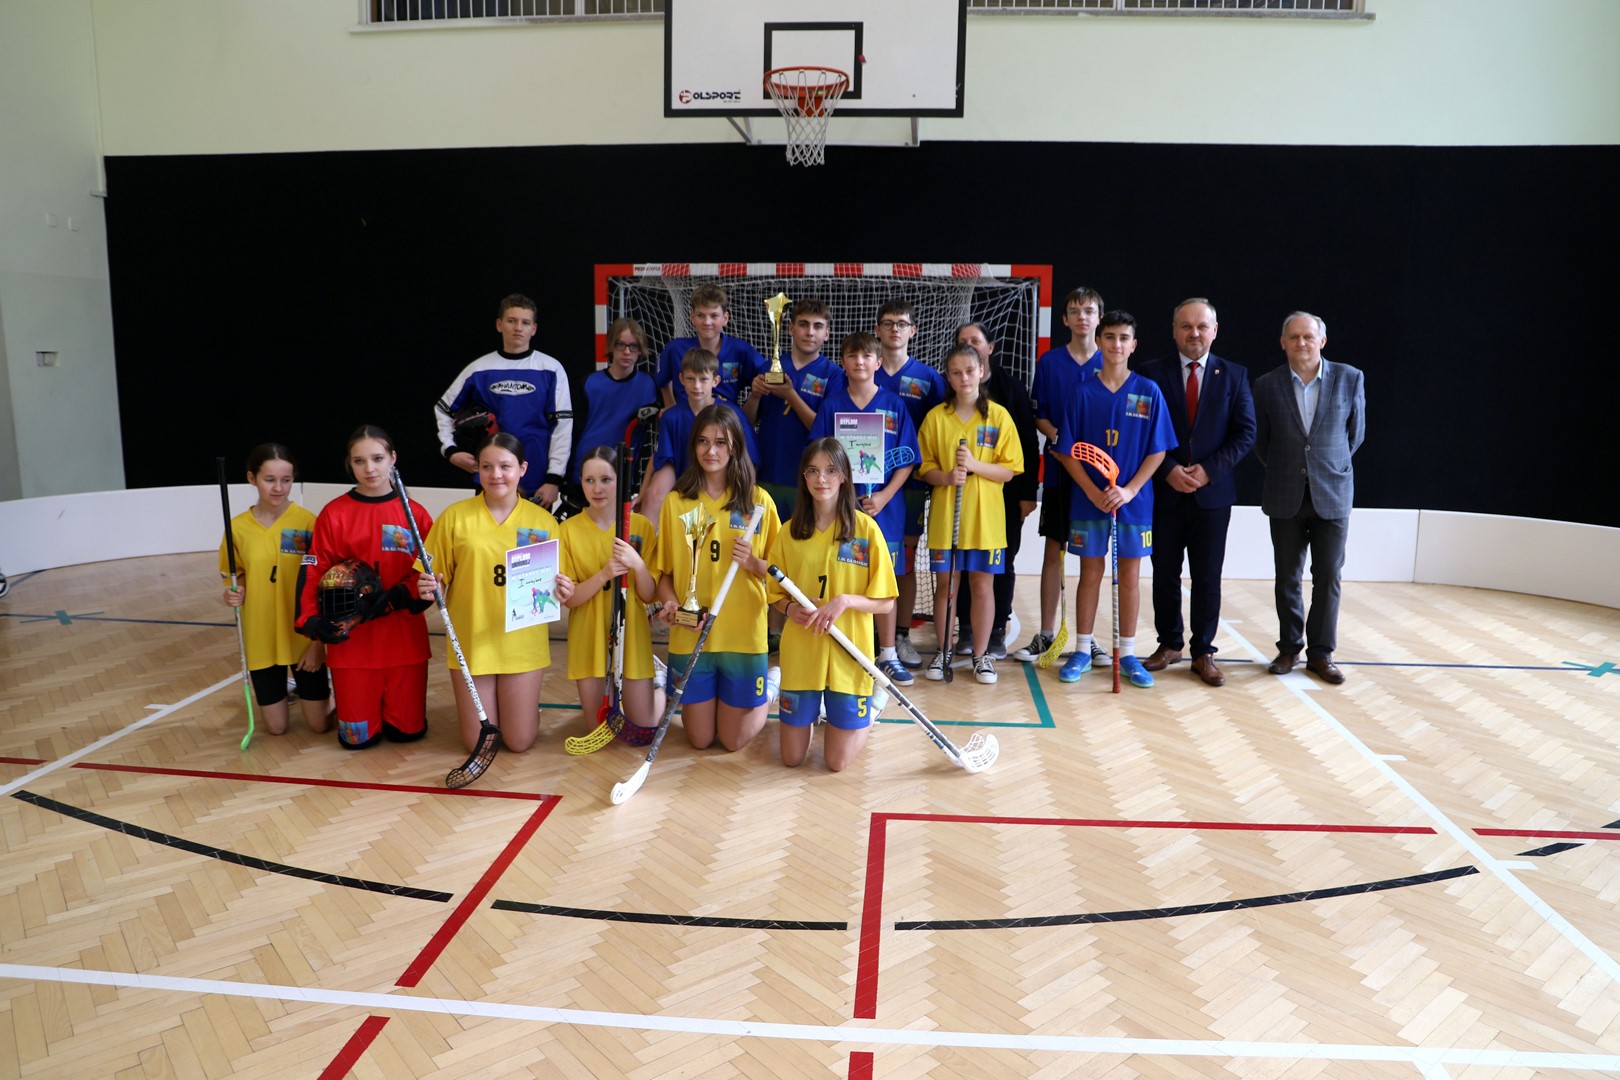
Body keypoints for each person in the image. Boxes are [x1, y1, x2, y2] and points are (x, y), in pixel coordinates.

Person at [417, 432, 566, 754]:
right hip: (473, 639)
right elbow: (436, 578)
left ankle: (526, 712)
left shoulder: (543, 522)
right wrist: (430, 587)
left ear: (522, 469)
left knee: (518, 742)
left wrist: (563, 588)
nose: (496, 474)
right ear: (478, 470)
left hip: (522, 642)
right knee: (479, 744)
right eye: (487, 466)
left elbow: (555, 584)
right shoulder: (454, 517)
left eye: (505, 466)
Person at [1136, 298, 1256, 687]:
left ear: (1214, 331)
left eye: (1202, 326)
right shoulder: (1149, 374)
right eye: (1186, 326)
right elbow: (1141, 431)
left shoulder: (1234, 375)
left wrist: (1208, 471)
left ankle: (1203, 651)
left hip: (1212, 496)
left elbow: (1245, 434)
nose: (1194, 333)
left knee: (1207, 577)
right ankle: (1169, 643)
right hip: (1164, 492)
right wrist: (1168, 470)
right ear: (1174, 331)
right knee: (1164, 574)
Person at [648, 405, 781, 752]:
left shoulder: (759, 503)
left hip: (742, 635)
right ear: (693, 446)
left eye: (721, 442)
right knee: (700, 738)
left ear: (735, 447)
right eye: (703, 441)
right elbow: (665, 575)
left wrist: (753, 562)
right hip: (691, 635)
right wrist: (671, 605)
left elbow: (780, 574)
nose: (711, 451)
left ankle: (770, 687)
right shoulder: (676, 502)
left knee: (733, 741)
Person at [1054, 311, 1176, 688]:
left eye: (1124, 338)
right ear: (1099, 342)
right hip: (1089, 501)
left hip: (1133, 503)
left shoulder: (1148, 391)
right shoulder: (1082, 392)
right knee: (1090, 573)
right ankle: (1082, 649)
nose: (1116, 344)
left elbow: (1158, 450)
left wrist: (1130, 490)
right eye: (1109, 337)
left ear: (1133, 345)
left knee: (1130, 575)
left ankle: (1128, 653)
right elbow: (1067, 451)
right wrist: (1092, 491)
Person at [296, 425, 433, 750]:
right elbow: (313, 569)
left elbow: (429, 572)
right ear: (350, 464)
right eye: (359, 461)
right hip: (352, 644)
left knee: (406, 733)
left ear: (393, 458)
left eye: (377, 458)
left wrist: (399, 595)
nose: (369, 468)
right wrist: (311, 621)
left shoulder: (415, 514)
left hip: (404, 640)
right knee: (358, 740)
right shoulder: (334, 514)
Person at [767, 439, 897, 771]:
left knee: (836, 762)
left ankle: (872, 708)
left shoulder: (865, 530)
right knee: (792, 759)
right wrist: (790, 610)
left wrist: (845, 601)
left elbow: (885, 602)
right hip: (802, 656)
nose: (821, 479)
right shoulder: (788, 532)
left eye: (830, 471)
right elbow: (774, 595)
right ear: (804, 477)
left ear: (843, 477)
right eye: (812, 471)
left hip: (849, 656)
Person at [1253, 311, 1366, 685]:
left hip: (1332, 493)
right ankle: (1289, 648)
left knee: (1328, 576)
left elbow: (1355, 435)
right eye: (1294, 337)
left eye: (1308, 336)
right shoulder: (1266, 385)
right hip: (1284, 493)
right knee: (1287, 576)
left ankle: (1321, 653)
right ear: (1283, 343)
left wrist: (1324, 467)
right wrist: (1291, 468)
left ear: (1322, 341)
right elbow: (1262, 442)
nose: (1301, 343)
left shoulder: (1350, 378)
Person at [808, 331, 919, 688]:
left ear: (878, 362)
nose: (859, 362)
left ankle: (888, 654)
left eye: (866, 356)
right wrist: (841, 495)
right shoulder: (832, 405)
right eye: (852, 356)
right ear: (843, 362)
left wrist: (884, 495)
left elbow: (908, 459)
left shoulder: (894, 405)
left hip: (885, 508)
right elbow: (818, 458)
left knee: (884, 580)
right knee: (844, 573)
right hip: (840, 507)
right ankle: (845, 646)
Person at [917, 343, 1024, 685]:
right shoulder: (936, 418)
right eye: (956, 372)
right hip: (946, 517)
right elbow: (924, 468)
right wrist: (947, 477)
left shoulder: (998, 416)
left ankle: (981, 655)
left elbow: (1009, 470)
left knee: (982, 585)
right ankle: (943, 651)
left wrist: (976, 465)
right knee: (947, 585)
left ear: (981, 371)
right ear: (948, 377)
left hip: (986, 521)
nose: (963, 378)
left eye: (969, 371)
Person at [1015, 287, 1107, 666]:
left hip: (1096, 479)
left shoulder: (1110, 359)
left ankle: (1087, 638)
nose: (1082, 317)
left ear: (1099, 317)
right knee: (1053, 551)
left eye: (1089, 310)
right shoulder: (1050, 362)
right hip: (1058, 472)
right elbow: (1039, 415)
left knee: (1092, 557)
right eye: (1075, 311)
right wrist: (1060, 439)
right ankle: (1047, 632)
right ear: (1065, 319)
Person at [219, 443, 332, 736]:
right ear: (252, 478)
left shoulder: (308, 522)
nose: (279, 488)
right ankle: (289, 688)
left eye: (286, 479)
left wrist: (317, 644)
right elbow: (235, 574)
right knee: (277, 727)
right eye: (269, 479)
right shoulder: (237, 528)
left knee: (320, 725)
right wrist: (234, 591)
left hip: (302, 637)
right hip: (262, 636)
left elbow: (323, 584)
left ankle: (327, 689)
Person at [434, 293, 573, 509]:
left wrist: (553, 479)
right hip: (491, 477)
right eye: (511, 320)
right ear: (499, 325)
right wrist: (450, 451)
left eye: (525, 322)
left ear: (534, 329)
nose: (518, 327)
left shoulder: (551, 369)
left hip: (537, 480)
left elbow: (562, 426)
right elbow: (443, 409)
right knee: (488, 530)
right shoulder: (479, 369)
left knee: (531, 532)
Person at [560, 445, 663, 734]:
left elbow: (649, 594)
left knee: (643, 729)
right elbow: (571, 600)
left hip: (631, 635)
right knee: (600, 729)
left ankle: (660, 685)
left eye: (606, 479)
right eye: (589, 480)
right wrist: (605, 574)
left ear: (620, 481)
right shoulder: (568, 530)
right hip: (588, 636)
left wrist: (637, 564)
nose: (597, 489)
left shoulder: (641, 527)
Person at [953, 322, 1038, 660]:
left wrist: (1028, 493)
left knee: (1001, 564)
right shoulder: (949, 395)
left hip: (1004, 496)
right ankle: (966, 628)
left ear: (990, 347)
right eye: (963, 341)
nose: (970, 345)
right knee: (963, 562)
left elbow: (1028, 444)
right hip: (960, 495)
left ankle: (997, 628)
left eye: (976, 341)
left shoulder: (1011, 388)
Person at [872, 299, 946, 669]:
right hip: (865, 486)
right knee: (862, 554)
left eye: (901, 323)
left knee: (904, 558)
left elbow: (944, 423)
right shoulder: (863, 371)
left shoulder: (928, 378)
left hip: (910, 484)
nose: (895, 329)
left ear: (912, 331)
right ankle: (868, 635)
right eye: (888, 323)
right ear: (877, 330)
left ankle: (900, 635)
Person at [639, 347, 760, 523]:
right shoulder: (671, 417)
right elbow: (660, 458)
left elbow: (749, 461)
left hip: (722, 489)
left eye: (703, 379)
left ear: (715, 381)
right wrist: (645, 493)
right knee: (654, 495)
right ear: (681, 379)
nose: (696, 386)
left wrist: (743, 492)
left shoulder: (732, 415)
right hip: (685, 490)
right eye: (690, 379)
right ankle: (643, 540)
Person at [569, 317, 658, 495]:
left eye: (633, 346)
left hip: (624, 471)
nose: (627, 352)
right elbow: (573, 431)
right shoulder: (589, 383)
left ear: (640, 350)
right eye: (620, 345)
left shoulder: (650, 385)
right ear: (611, 346)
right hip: (586, 468)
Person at [654, 284, 766, 408]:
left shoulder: (739, 350)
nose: (707, 322)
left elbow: (765, 374)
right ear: (692, 317)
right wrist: (671, 408)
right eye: (701, 315)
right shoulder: (675, 349)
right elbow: (662, 381)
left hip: (725, 418)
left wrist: (755, 394)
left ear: (725, 318)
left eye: (714, 316)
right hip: (687, 418)